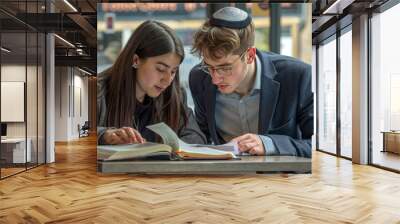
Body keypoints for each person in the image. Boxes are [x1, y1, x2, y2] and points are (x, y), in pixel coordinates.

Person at [189, 7, 313, 158]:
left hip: (282, 178)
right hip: (225, 178)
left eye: (225, 68)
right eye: (209, 66)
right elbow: (204, 138)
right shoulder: (199, 78)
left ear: (249, 55)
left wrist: (271, 144)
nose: (215, 79)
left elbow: (317, 147)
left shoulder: (298, 76)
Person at [97, 20, 206, 145]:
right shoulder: (97, 92)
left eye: (173, 71)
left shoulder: (175, 94)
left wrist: (179, 148)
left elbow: (196, 136)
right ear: (136, 60)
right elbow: (76, 133)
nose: (167, 80)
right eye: (160, 69)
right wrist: (104, 136)